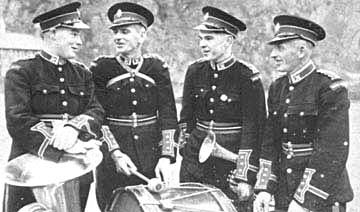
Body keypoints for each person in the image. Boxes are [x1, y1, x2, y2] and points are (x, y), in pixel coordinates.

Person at [3, 2, 104, 212]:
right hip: (30, 170)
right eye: (73, 34)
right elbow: (18, 120)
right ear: (51, 33)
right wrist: (62, 144)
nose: (79, 41)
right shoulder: (21, 72)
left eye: (79, 35)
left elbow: (95, 109)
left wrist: (73, 127)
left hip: (75, 170)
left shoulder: (82, 73)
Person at [253, 15, 354, 212]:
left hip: (321, 195)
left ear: (302, 50)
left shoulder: (329, 87)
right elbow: (270, 142)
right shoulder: (277, 88)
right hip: (284, 191)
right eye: (273, 48)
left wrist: (304, 201)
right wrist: (265, 188)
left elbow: (331, 151)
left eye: (280, 48)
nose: (272, 55)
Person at [90, 2, 178, 211]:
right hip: (115, 160)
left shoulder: (157, 68)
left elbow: (168, 115)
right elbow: (98, 117)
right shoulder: (102, 68)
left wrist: (166, 157)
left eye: (125, 32)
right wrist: (114, 153)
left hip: (151, 159)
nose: (118, 37)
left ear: (142, 35)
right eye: (116, 32)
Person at [178, 6, 266, 211]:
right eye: (201, 38)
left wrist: (245, 175)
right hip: (194, 161)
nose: (202, 44)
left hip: (230, 162)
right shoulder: (195, 71)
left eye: (209, 38)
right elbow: (186, 117)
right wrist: (186, 148)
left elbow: (254, 129)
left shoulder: (247, 76)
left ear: (228, 41)